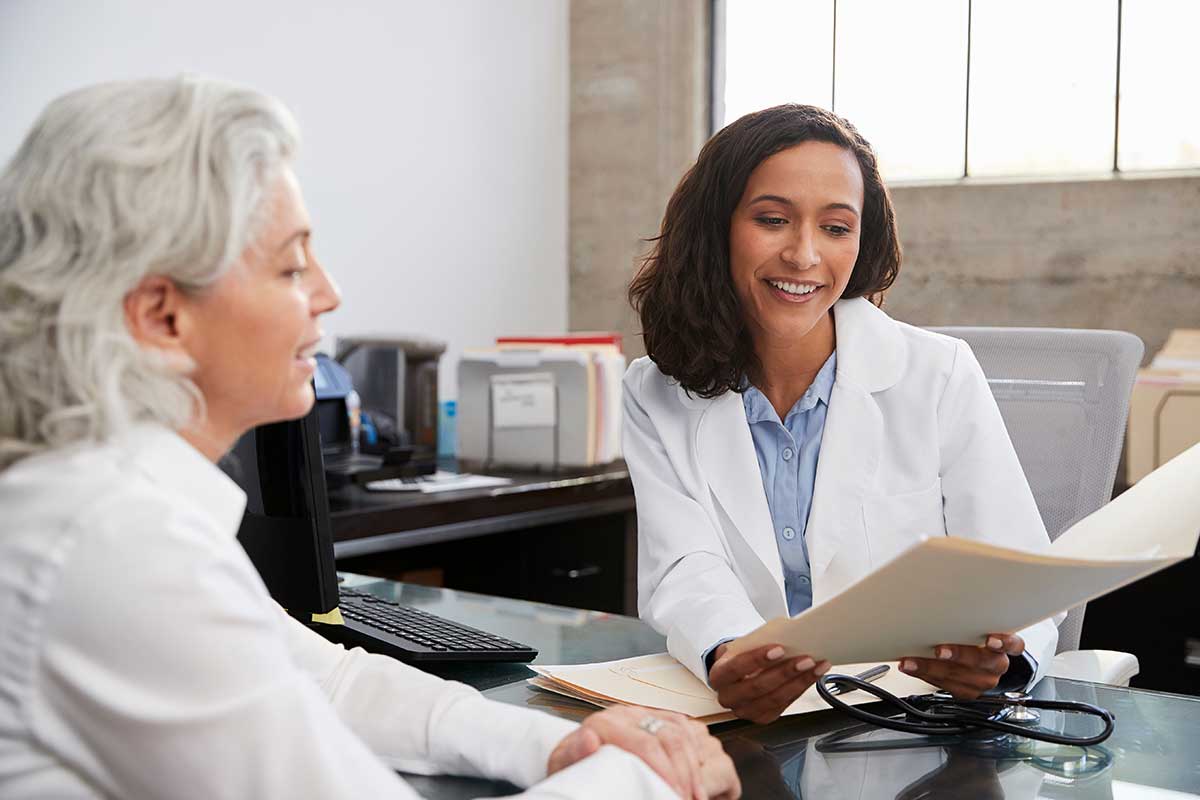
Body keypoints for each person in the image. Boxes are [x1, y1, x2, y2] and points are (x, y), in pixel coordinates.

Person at [0, 77, 739, 799]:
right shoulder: (116, 545)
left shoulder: (99, 504)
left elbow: (325, 678)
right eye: (292, 264)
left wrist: (558, 744)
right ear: (162, 316)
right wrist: (648, 776)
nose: (329, 292)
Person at [623, 104, 1058, 724]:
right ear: (716, 229)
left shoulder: (937, 374)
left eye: (836, 227)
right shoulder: (654, 391)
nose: (804, 256)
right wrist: (730, 650)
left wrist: (999, 662)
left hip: (913, 725)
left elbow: (1018, 572)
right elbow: (683, 566)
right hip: (751, 724)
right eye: (772, 220)